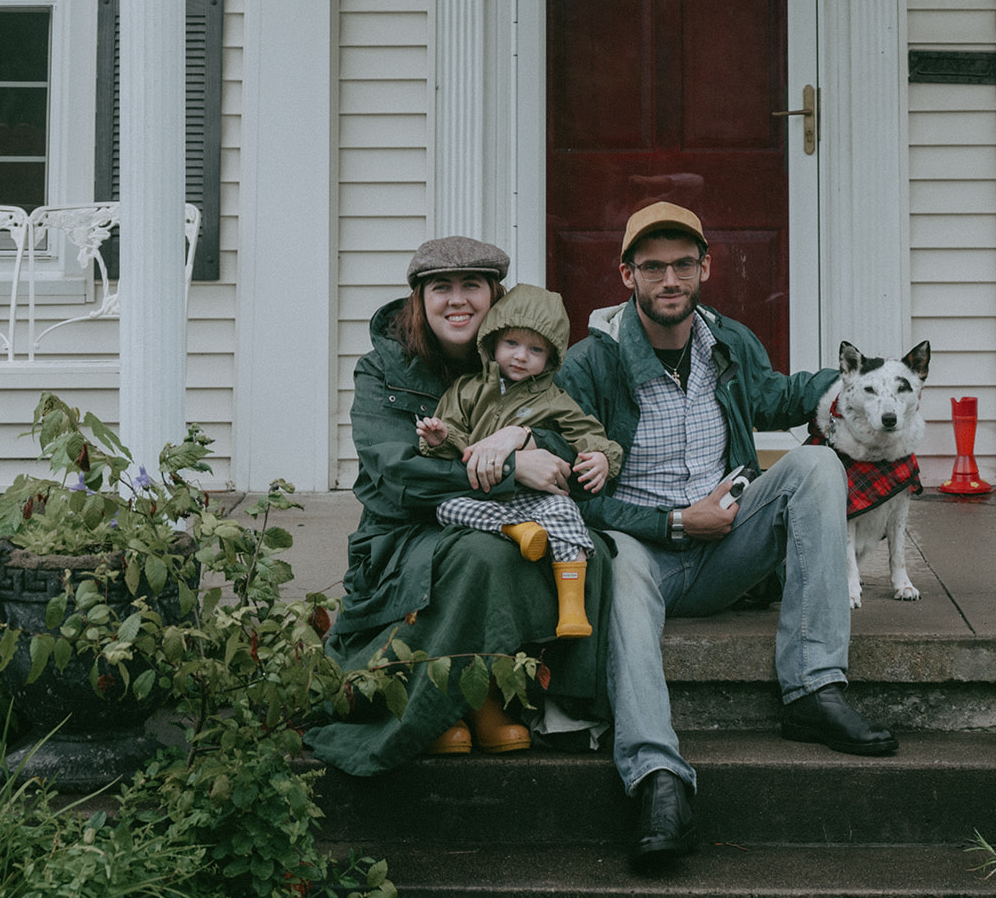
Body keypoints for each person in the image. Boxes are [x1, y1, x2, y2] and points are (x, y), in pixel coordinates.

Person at [556, 202, 898, 865]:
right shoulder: (589, 367)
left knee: (817, 465)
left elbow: (776, 397)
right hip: (639, 559)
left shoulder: (729, 343)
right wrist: (677, 520)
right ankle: (659, 778)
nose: (670, 280)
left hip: (725, 555)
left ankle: (814, 689)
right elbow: (575, 504)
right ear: (626, 275)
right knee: (621, 560)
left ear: (706, 266)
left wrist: (852, 386)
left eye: (683, 264)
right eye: (652, 267)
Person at [307, 237, 613, 771]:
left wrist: (524, 436)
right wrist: (513, 471)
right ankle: (451, 701)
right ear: (418, 299)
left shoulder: (525, 357)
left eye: (471, 286)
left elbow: (572, 442)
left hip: (505, 516)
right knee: (483, 557)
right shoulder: (383, 372)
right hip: (406, 532)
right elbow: (400, 476)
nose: (457, 300)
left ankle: (553, 703)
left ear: (494, 296)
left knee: (588, 550)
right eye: (440, 287)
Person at [416, 283, 623, 638]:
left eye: (535, 349)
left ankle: (571, 605)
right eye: (511, 343)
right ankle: (516, 532)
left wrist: (603, 457)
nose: (521, 356)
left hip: (533, 496)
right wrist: (441, 437)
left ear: (551, 357)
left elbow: (587, 433)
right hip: (482, 495)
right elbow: (456, 437)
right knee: (446, 509)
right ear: (493, 342)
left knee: (566, 514)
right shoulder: (468, 389)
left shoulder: (554, 399)